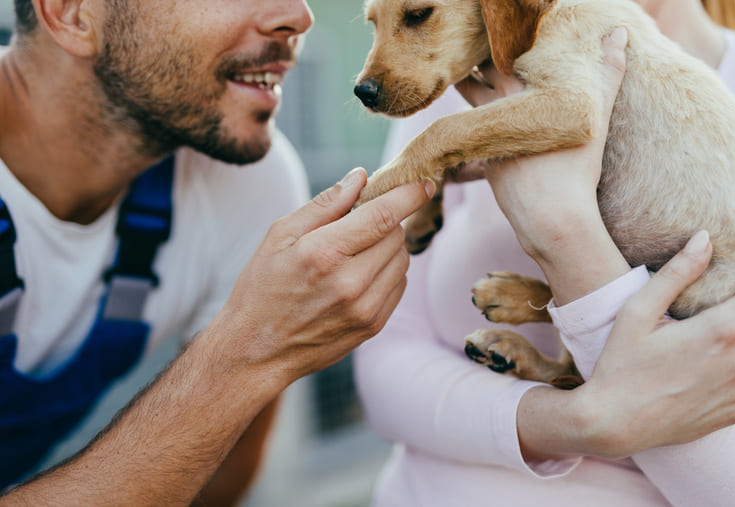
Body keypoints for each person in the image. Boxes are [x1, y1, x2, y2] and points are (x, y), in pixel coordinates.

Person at [0, 0, 436, 504]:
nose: (299, 16)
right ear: (72, 13)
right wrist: (247, 354)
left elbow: (216, 486)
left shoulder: (249, 182)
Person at [354, 1, 735, 505]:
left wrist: (563, 232)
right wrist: (572, 423)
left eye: (417, 16)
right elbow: (381, 363)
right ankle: (554, 362)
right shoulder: (456, 69)